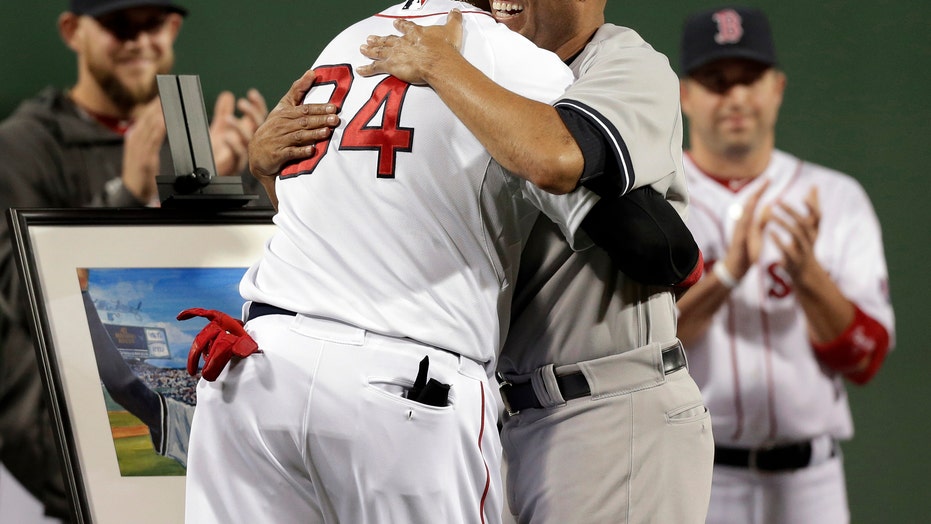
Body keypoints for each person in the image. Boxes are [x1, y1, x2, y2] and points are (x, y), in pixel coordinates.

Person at [180, 1, 608, 522]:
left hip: (258, 367)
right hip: (401, 383)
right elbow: (561, 160)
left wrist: (260, 167)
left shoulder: (348, 39)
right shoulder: (506, 53)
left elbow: (316, 206)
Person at [352, 2, 714, 523]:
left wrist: (440, 65)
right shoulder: (473, 79)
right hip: (500, 417)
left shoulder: (624, 61)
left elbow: (554, 156)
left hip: (610, 406)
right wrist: (272, 169)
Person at [0, 0, 268, 519]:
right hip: (74, 469)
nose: (140, 41)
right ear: (73, 30)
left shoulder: (199, 146)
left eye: (154, 24)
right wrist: (125, 194)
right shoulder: (22, 148)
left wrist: (243, 192)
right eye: (120, 25)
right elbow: (21, 297)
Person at [674, 7, 895, 524]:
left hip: (811, 485)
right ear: (684, 94)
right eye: (716, 80)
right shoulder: (659, 202)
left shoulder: (836, 198)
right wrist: (728, 273)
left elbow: (866, 359)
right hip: (699, 477)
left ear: (777, 87)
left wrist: (808, 277)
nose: (737, 97)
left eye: (751, 78)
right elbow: (642, 347)